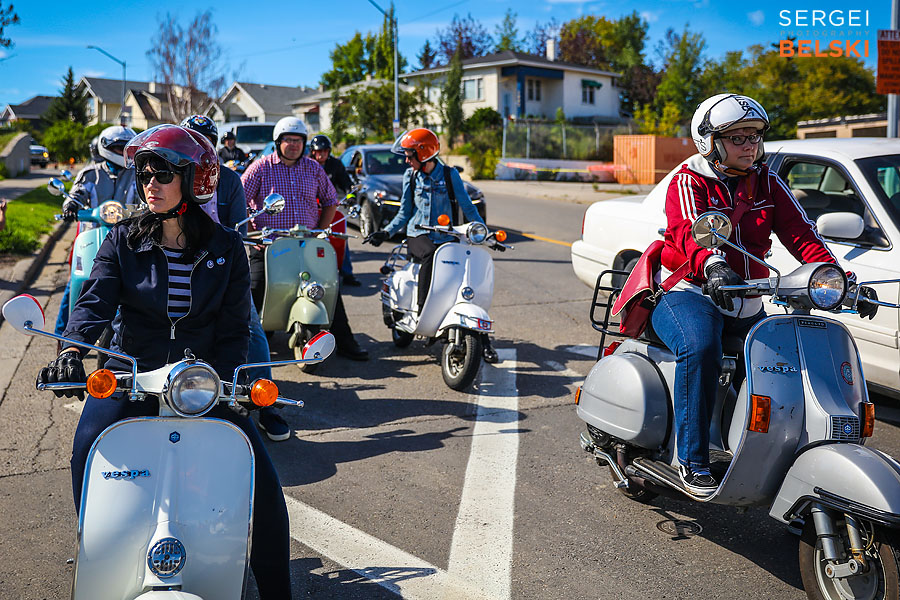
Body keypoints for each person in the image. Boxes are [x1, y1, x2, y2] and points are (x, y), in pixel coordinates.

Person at [37, 124, 292, 598]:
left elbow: (235, 329)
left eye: (162, 175)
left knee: (263, 484)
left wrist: (227, 383)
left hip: (201, 383)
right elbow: (95, 302)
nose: (149, 184)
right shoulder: (122, 239)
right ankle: (99, 548)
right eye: (144, 175)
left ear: (194, 181)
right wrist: (71, 351)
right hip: (131, 375)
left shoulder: (226, 247)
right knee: (87, 448)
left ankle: (278, 589)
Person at [653, 93, 878, 496]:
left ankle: (774, 457)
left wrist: (841, 281)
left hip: (747, 298)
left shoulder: (767, 182)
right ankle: (692, 460)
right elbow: (690, 232)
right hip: (689, 292)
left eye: (754, 136)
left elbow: (802, 235)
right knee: (701, 348)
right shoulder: (689, 180)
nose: (749, 145)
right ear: (710, 141)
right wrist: (713, 265)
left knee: (782, 365)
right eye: (737, 137)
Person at [181, 114, 290, 442]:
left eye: (205, 140)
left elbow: (238, 229)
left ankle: (265, 401)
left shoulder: (228, 180)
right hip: (178, 266)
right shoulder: (173, 174)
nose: (198, 146)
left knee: (252, 328)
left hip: (223, 264)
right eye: (190, 139)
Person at [366, 128, 498, 363]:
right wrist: (386, 232)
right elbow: (405, 212)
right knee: (431, 255)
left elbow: (468, 207)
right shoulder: (411, 176)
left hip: (447, 236)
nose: (406, 160)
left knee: (467, 272)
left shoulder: (449, 175)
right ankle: (423, 313)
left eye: (410, 156)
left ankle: (482, 337)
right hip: (419, 235)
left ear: (424, 154)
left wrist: (484, 233)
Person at [241, 116, 369, 360]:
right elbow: (240, 198)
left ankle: (345, 342)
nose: (293, 145)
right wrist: (251, 233)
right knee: (255, 288)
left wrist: (320, 231)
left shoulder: (313, 168)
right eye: (288, 140)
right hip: (269, 245)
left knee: (328, 287)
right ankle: (246, 344)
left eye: (298, 140)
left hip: (306, 243)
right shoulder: (261, 167)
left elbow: (330, 200)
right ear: (278, 142)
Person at [54, 126, 138, 339]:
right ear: (105, 147)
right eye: (118, 148)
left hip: (127, 237)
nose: (123, 153)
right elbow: (77, 193)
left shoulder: (136, 174)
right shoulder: (91, 173)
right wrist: (71, 205)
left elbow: (144, 198)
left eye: (126, 148)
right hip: (93, 235)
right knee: (76, 282)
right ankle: (62, 336)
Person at [308, 133, 360, 286]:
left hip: (330, 210)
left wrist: (350, 196)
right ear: (312, 151)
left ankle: (347, 273)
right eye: (319, 151)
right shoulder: (305, 165)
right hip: (309, 211)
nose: (322, 154)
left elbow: (346, 183)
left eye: (325, 151)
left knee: (340, 238)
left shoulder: (335, 165)